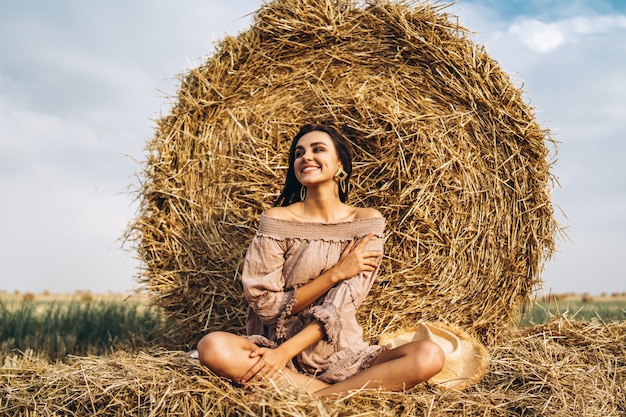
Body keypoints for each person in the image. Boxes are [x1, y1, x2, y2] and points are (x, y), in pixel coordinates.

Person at [197, 124, 444, 395]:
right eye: (299, 153)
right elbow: (266, 306)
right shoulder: (277, 220)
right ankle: (336, 394)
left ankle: (319, 396)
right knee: (211, 347)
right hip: (276, 351)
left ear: (340, 163)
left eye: (318, 149)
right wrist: (335, 274)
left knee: (429, 355)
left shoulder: (366, 221)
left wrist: (284, 353)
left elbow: (339, 309)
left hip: (342, 353)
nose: (306, 157)